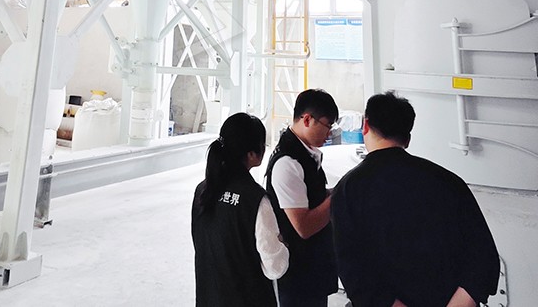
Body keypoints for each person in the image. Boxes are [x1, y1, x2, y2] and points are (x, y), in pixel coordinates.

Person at [331, 92, 500, 307]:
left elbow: (353, 272)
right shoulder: (449, 182)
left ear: (365, 126)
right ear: (407, 139)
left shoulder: (348, 190)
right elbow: (484, 259)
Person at [192, 112, 288, 306]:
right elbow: (275, 267)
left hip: (209, 297)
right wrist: (283, 245)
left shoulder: (203, 190)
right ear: (252, 154)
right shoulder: (255, 200)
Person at [265, 89, 339, 307]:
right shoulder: (288, 163)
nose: (329, 133)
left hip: (312, 266)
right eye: (327, 125)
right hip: (298, 273)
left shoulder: (305, 154)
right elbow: (304, 226)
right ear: (307, 119)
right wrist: (340, 194)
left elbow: (312, 197)